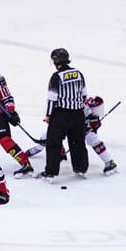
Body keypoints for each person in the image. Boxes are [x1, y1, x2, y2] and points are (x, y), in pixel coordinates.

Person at [42, 47, 88, 180]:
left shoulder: (56, 76)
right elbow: (84, 95)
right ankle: (81, 168)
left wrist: (48, 115)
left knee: (53, 143)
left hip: (61, 115)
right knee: (78, 142)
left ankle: (51, 172)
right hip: (78, 114)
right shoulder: (79, 73)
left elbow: (52, 98)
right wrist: (78, 108)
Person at [82, 95, 119, 175]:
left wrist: (91, 125)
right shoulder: (85, 108)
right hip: (66, 121)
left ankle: (109, 162)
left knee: (91, 137)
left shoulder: (90, 110)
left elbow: (94, 122)